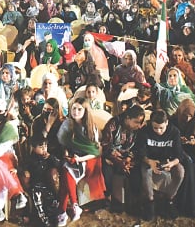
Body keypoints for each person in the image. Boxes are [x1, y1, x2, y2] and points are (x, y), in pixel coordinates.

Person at [56, 97, 106, 226]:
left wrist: (80, 159)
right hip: (72, 157)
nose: (76, 112)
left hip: (88, 160)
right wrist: (67, 153)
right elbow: (63, 142)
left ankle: (63, 211)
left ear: (85, 111)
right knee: (67, 169)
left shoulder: (90, 128)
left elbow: (95, 151)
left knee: (66, 171)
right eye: (74, 108)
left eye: (79, 109)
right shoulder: (67, 123)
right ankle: (73, 206)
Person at [138, 110, 185, 221]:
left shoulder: (174, 132)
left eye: (161, 128)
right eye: (155, 128)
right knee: (146, 173)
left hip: (167, 160)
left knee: (180, 172)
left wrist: (172, 163)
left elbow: (180, 154)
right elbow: (140, 152)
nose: (158, 131)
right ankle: (150, 203)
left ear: (167, 123)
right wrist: (150, 162)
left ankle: (169, 200)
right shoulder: (145, 131)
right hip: (149, 160)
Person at [100, 104, 145, 214]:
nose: (139, 126)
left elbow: (138, 148)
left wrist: (129, 158)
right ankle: (109, 199)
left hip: (128, 158)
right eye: (136, 122)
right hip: (112, 157)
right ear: (127, 118)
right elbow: (106, 145)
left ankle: (134, 203)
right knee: (107, 169)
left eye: (140, 122)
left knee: (137, 171)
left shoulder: (138, 130)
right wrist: (119, 161)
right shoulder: (113, 124)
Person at [20, 135, 63, 227]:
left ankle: (55, 218)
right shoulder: (31, 159)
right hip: (36, 185)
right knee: (37, 199)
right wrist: (24, 171)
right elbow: (23, 167)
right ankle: (43, 220)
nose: (44, 149)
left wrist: (50, 157)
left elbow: (59, 164)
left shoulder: (49, 158)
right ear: (33, 148)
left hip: (48, 184)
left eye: (45, 146)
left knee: (52, 200)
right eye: (41, 147)